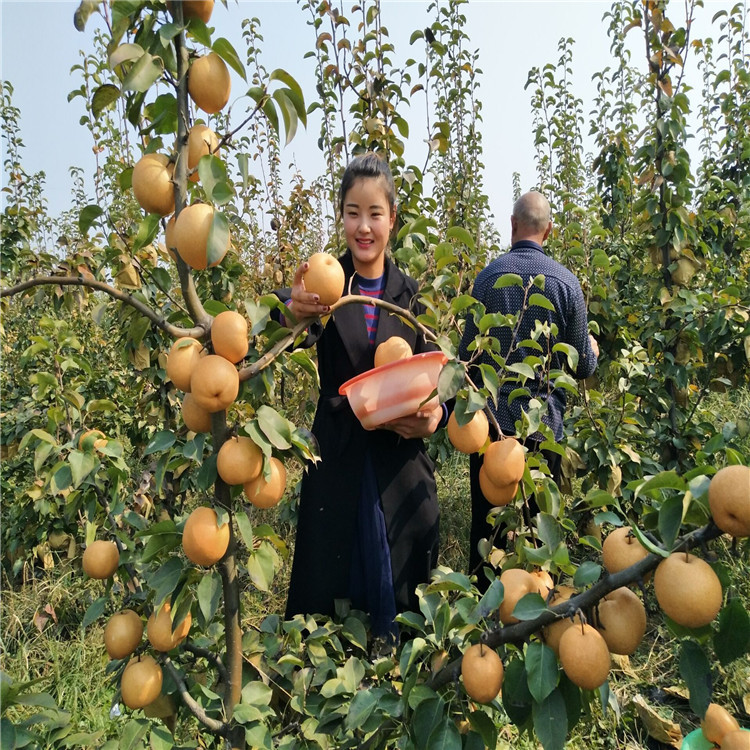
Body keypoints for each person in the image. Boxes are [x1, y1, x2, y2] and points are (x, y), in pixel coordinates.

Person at [277, 153, 445, 649]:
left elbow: (442, 375)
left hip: (397, 456)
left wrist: (434, 416)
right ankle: (328, 670)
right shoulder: (323, 286)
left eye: (375, 213)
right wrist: (293, 313)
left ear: (393, 218)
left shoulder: (410, 296)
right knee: (333, 579)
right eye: (353, 213)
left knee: (401, 583)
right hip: (340, 448)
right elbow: (279, 341)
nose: (364, 227)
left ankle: (400, 664)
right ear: (341, 217)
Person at [458, 190, 599, 580]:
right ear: (549, 230)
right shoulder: (567, 285)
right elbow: (582, 365)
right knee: (537, 528)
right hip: (542, 429)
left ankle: (483, 617)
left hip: (490, 428)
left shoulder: (487, 279)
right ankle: (534, 613)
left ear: (512, 224)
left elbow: (464, 361)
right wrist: (593, 349)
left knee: (488, 526)